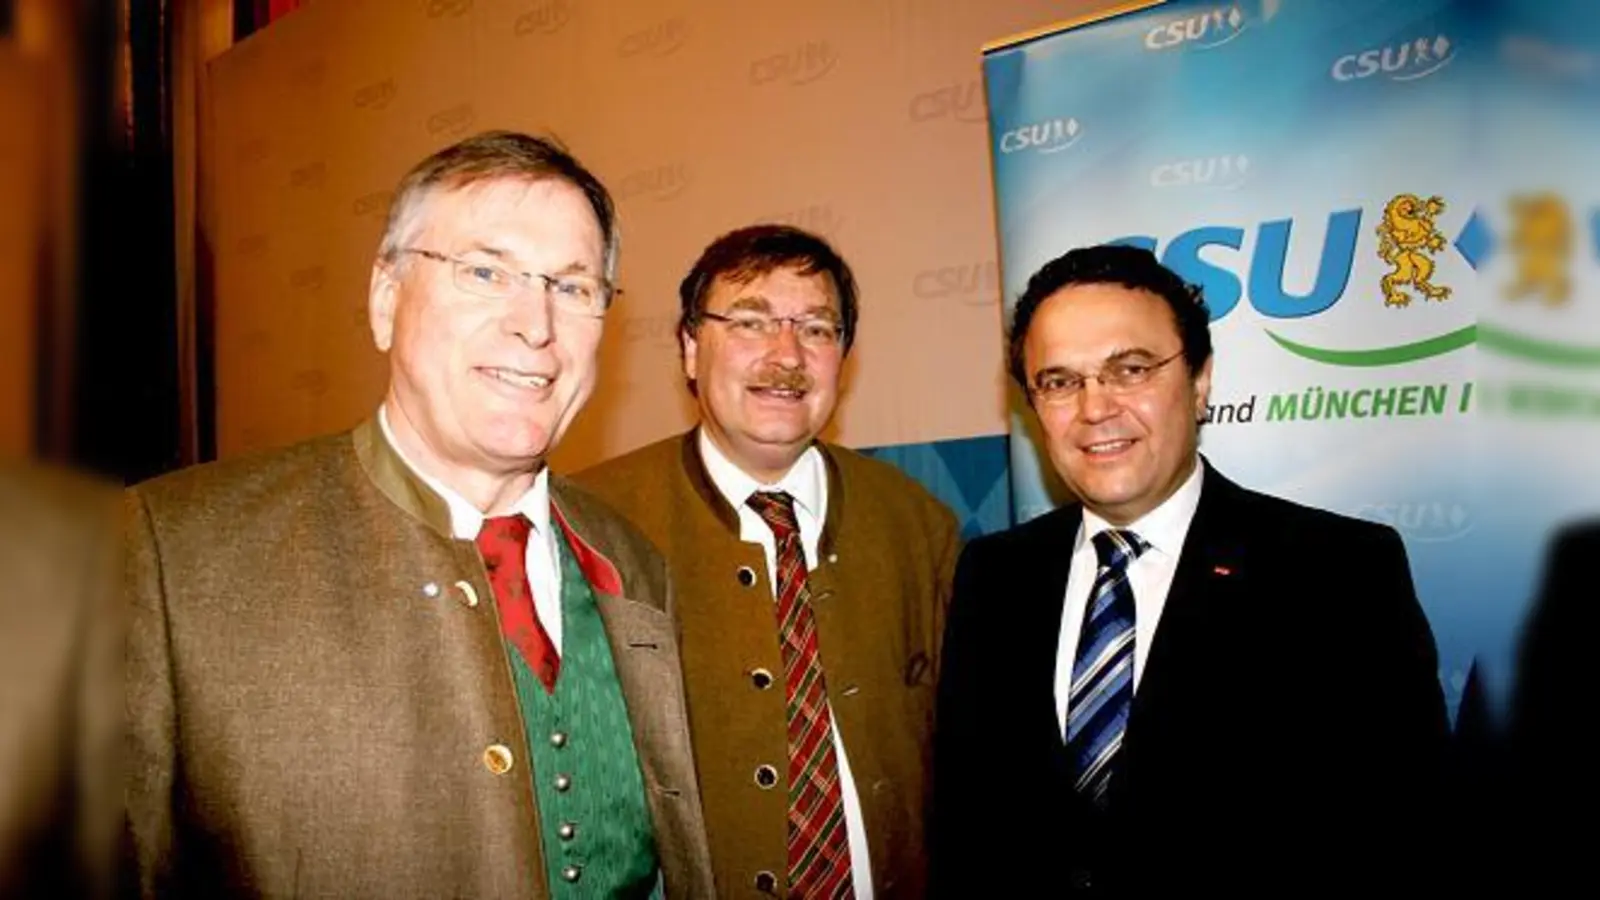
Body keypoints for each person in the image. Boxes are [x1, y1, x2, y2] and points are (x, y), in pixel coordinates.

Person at [123, 130, 714, 899]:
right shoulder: (175, 555)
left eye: (571, 288)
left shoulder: (634, 565)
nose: (535, 325)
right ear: (385, 299)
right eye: (484, 271)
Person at [930, 244, 1448, 895]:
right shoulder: (995, 574)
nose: (1095, 408)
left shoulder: (1338, 572)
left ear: (1201, 381)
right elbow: (964, 822)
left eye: (1131, 369)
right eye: (1060, 381)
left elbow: (1406, 837)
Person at [576, 224, 960, 898]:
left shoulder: (918, 524)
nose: (786, 357)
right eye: (750, 322)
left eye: (817, 329)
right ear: (691, 349)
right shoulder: (592, 524)